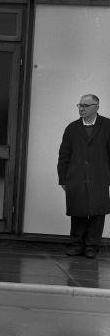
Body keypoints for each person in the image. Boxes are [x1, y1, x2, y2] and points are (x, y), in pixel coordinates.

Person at [58, 94, 110, 258]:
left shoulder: (108, 126)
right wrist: (63, 178)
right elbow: (64, 155)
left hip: (99, 176)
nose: (81, 108)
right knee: (78, 212)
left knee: (97, 212)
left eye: (86, 105)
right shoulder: (72, 128)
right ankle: (76, 245)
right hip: (76, 177)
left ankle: (92, 247)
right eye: (80, 105)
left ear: (96, 107)